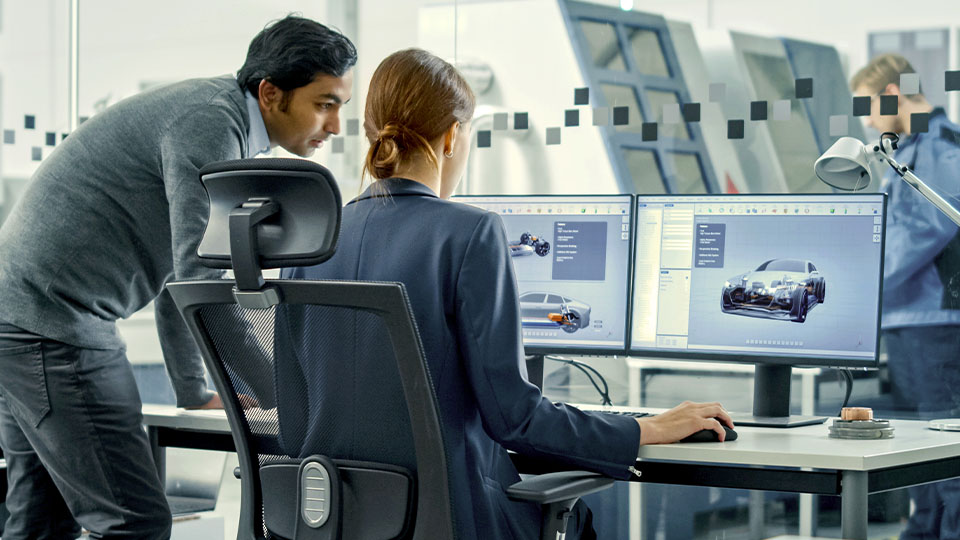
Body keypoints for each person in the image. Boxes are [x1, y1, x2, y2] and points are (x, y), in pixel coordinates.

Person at [282, 48, 734, 540]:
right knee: (574, 518)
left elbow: (291, 426)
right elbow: (514, 419)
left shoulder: (314, 240)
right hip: (451, 516)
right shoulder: (470, 232)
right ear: (453, 136)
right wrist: (643, 428)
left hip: (329, 516)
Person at [0, 15, 355, 539]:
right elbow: (200, 279)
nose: (334, 126)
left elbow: (182, 272)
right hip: (53, 324)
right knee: (134, 523)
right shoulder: (211, 124)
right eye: (324, 104)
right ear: (272, 94)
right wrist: (282, 397)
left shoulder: (219, 119)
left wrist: (195, 389)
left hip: (26, 318)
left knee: (39, 521)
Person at [851, 53, 960, 539]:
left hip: (933, 323)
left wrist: (868, 280)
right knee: (919, 449)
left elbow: (931, 225)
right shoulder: (909, 148)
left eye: (870, 108)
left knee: (946, 445)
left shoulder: (940, 147)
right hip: (908, 319)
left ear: (893, 95)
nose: (869, 121)